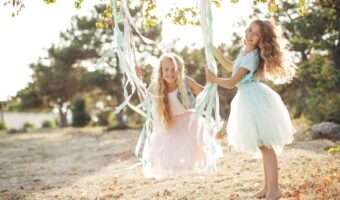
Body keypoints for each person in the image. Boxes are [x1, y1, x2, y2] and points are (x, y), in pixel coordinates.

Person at [205, 19, 296, 200]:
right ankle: (267, 187)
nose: (251, 36)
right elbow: (231, 66)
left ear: (261, 40)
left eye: (256, 35)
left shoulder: (253, 56)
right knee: (263, 147)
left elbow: (231, 83)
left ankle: (274, 190)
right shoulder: (245, 54)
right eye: (250, 31)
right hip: (247, 98)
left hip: (254, 100)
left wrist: (213, 79)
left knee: (266, 146)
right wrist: (213, 50)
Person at [135, 52, 222, 179]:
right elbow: (145, 99)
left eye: (174, 69)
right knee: (170, 156)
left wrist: (210, 78)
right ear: (161, 70)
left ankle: (193, 171)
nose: (170, 73)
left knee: (195, 153)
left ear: (179, 70)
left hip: (190, 122)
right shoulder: (156, 86)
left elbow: (205, 93)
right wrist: (138, 80)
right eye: (166, 69)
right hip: (171, 124)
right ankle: (178, 172)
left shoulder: (186, 81)